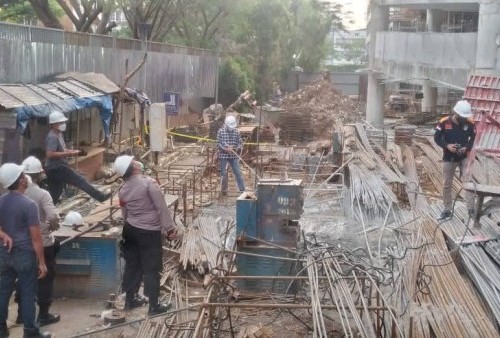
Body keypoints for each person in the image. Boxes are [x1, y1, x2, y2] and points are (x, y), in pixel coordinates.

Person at [113, 155, 177, 315]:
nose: (137, 162)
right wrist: (170, 229)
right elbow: (161, 207)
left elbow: (124, 212)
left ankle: (130, 299)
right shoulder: (149, 184)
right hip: (148, 232)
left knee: (132, 265)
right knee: (151, 268)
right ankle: (154, 305)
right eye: (134, 161)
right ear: (133, 167)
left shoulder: (122, 189)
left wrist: (130, 225)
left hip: (130, 230)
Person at [0, 163, 51, 338]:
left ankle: (1, 329)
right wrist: (42, 263)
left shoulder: (1, 201)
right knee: (28, 293)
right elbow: (36, 238)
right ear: (21, 180)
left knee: (4, 291)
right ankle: (30, 332)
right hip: (24, 254)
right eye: (23, 176)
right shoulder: (29, 205)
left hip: (5, 253)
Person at [14, 156, 61, 327]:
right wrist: (51, 227)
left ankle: (21, 314)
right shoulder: (42, 194)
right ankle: (43, 315)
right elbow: (53, 216)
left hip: (21, 243)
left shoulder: (15, 194)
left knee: (22, 276)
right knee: (44, 278)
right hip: (42, 242)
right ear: (40, 174)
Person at [45, 111, 110, 204]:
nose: (64, 124)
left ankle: (45, 212)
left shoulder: (59, 134)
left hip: (56, 168)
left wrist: (70, 151)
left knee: (54, 194)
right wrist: (66, 154)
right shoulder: (52, 137)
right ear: (54, 124)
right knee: (80, 181)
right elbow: (50, 154)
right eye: (61, 123)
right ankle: (101, 197)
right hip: (57, 168)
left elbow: (61, 149)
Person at [434, 100, 476, 219]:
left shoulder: (470, 123)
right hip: (449, 158)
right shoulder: (444, 122)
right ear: (456, 113)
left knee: (468, 182)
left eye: (465, 117)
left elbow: (473, 138)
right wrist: (447, 146)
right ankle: (447, 209)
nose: (464, 119)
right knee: (447, 184)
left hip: (464, 157)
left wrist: (466, 147)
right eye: (462, 117)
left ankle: (471, 209)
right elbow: (436, 138)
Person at [217, 115, 245, 195]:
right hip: (224, 156)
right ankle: (224, 191)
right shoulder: (220, 131)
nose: (231, 128)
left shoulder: (236, 132)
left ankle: (242, 190)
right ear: (226, 124)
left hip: (233, 156)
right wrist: (225, 149)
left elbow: (240, 143)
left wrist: (235, 148)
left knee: (237, 172)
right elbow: (218, 144)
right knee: (224, 173)